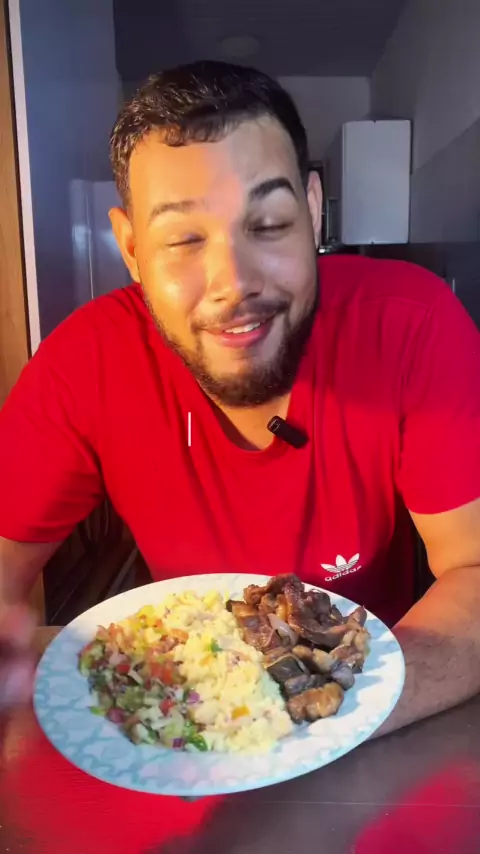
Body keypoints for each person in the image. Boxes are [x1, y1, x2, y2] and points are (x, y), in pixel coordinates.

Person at [0, 61, 479, 735]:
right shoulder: (85, 363)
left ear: (313, 209)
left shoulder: (413, 323)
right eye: (183, 239)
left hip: (376, 711)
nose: (234, 282)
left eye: (270, 223)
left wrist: (306, 728)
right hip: (185, 720)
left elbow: (474, 566)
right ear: (132, 248)